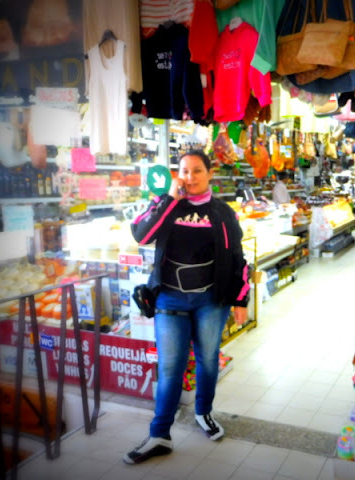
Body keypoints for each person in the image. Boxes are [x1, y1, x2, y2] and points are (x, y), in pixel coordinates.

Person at [124, 151, 249, 465]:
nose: (190, 177)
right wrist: (168, 199)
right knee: (170, 368)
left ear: (209, 173)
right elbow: (141, 234)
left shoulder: (223, 212)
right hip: (169, 298)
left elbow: (238, 257)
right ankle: (159, 435)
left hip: (211, 301)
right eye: (184, 171)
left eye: (197, 171)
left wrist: (241, 299)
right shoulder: (166, 204)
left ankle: (204, 413)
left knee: (208, 360)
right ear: (176, 174)